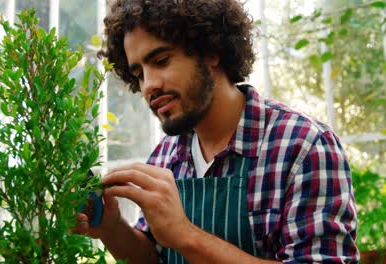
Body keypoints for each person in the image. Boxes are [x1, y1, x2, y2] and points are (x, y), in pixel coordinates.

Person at [74, 0, 359, 263]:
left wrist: (186, 235)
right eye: (139, 74)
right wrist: (112, 228)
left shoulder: (304, 147)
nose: (148, 85)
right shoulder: (165, 157)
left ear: (211, 51)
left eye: (161, 61)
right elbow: (156, 257)